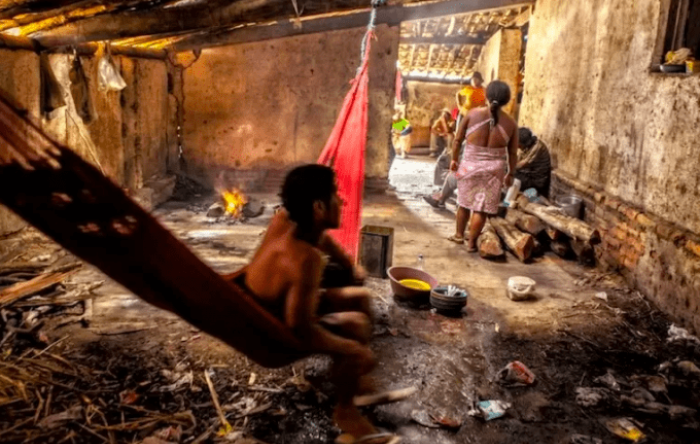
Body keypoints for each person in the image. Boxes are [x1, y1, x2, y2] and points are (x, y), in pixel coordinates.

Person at [241, 164, 377, 438]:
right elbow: (299, 327)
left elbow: (324, 240)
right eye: (336, 195)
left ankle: (351, 380)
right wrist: (351, 348)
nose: (342, 200)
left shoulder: (287, 220)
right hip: (270, 330)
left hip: (276, 304)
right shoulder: (305, 259)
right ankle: (345, 410)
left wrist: (349, 266)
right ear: (318, 207)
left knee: (360, 298)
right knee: (356, 330)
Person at [448, 80, 518, 252]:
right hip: (494, 169)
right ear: (506, 100)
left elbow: (457, 140)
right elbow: (513, 153)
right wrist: (510, 174)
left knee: (463, 202)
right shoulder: (511, 123)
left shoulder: (472, 114)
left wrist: (454, 160)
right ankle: (471, 243)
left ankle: (458, 235)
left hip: (469, 164)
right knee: (481, 208)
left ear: (486, 96)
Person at [515, 127, 551, 197]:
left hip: (536, 181)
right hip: (528, 175)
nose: (517, 146)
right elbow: (519, 159)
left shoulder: (537, 148)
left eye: (518, 144)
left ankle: (534, 193)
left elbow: (521, 165)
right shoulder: (528, 145)